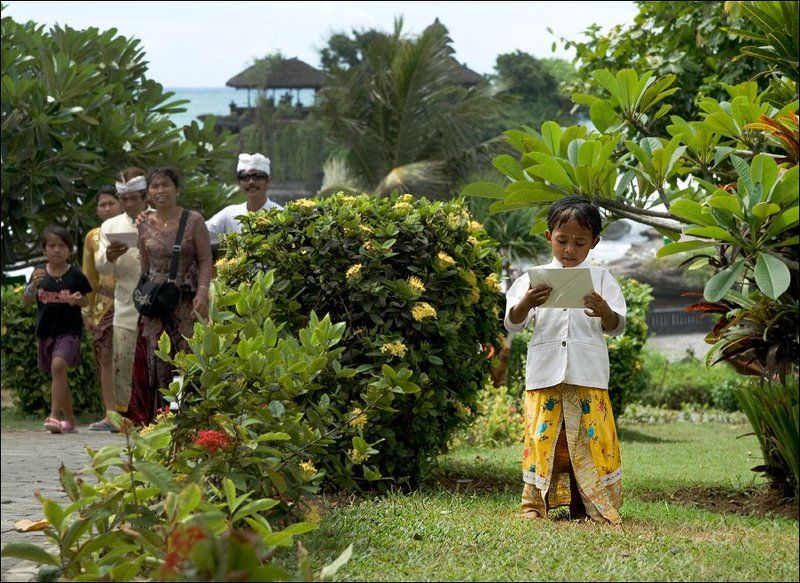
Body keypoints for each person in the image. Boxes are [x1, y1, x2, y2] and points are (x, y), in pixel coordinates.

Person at [504, 196, 627, 524]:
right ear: (549, 237)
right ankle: (534, 505)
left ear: (594, 243)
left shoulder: (602, 280)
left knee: (587, 442)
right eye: (562, 241)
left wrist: (605, 312)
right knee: (547, 441)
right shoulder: (533, 279)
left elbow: (616, 326)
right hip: (545, 375)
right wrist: (527, 302)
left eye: (579, 242)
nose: (569, 249)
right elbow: (512, 322)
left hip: (587, 376)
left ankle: (585, 504)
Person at [137, 166, 212, 423]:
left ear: (177, 189)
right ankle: (160, 422)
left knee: (183, 361)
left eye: (166, 185)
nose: (160, 191)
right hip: (155, 305)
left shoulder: (194, 220)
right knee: (157, 362)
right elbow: (144, 266)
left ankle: (181, 418)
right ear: (148, 192)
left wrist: (203, 293)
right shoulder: (143, 222)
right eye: (155, 186)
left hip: (184, 302)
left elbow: (205, 260)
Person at [23, 226, 92, 433]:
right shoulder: (38, 274)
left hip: (70, 332)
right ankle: (70, 421)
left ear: (69, 250)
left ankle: (53, 416)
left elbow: (87, 301)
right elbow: (26, 301)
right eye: (51, 245)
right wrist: (32, 287)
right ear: (44, 250)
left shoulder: (76, 276)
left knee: (58, 366)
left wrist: (79, 301)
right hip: (46, 332)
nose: (56, 250)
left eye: (61, 246)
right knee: (58, 375)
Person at [95, 168, 150, 427]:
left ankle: (159, 417)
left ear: (145, 196)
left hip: (159, 306)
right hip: (126, 306)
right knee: (123, 365)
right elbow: (102, 268)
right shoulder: (110, 226)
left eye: (135, 198)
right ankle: (128, 423)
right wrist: (110, 256)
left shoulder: (161, 220)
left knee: (158, 363)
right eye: (124, 199)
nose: (129, 204)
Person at [82, 185, 122, 430]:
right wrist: (86, 310)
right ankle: (110, 413)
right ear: (97, 209)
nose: (107, 208)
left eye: (111, 203)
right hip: (104, 303)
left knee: (131, 357)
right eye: (102, 204)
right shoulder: (92, 237)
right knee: (104, 356)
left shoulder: (134, 228)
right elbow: (89, 278)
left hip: (132, 300)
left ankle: (135, 411)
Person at [205, 152, 282, 255]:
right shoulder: (229, 214)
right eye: (245, 177)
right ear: (239, 182)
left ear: (268, 181)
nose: (251, 182)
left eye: (257, 176)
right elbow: (203, 232)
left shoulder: (280, 215)